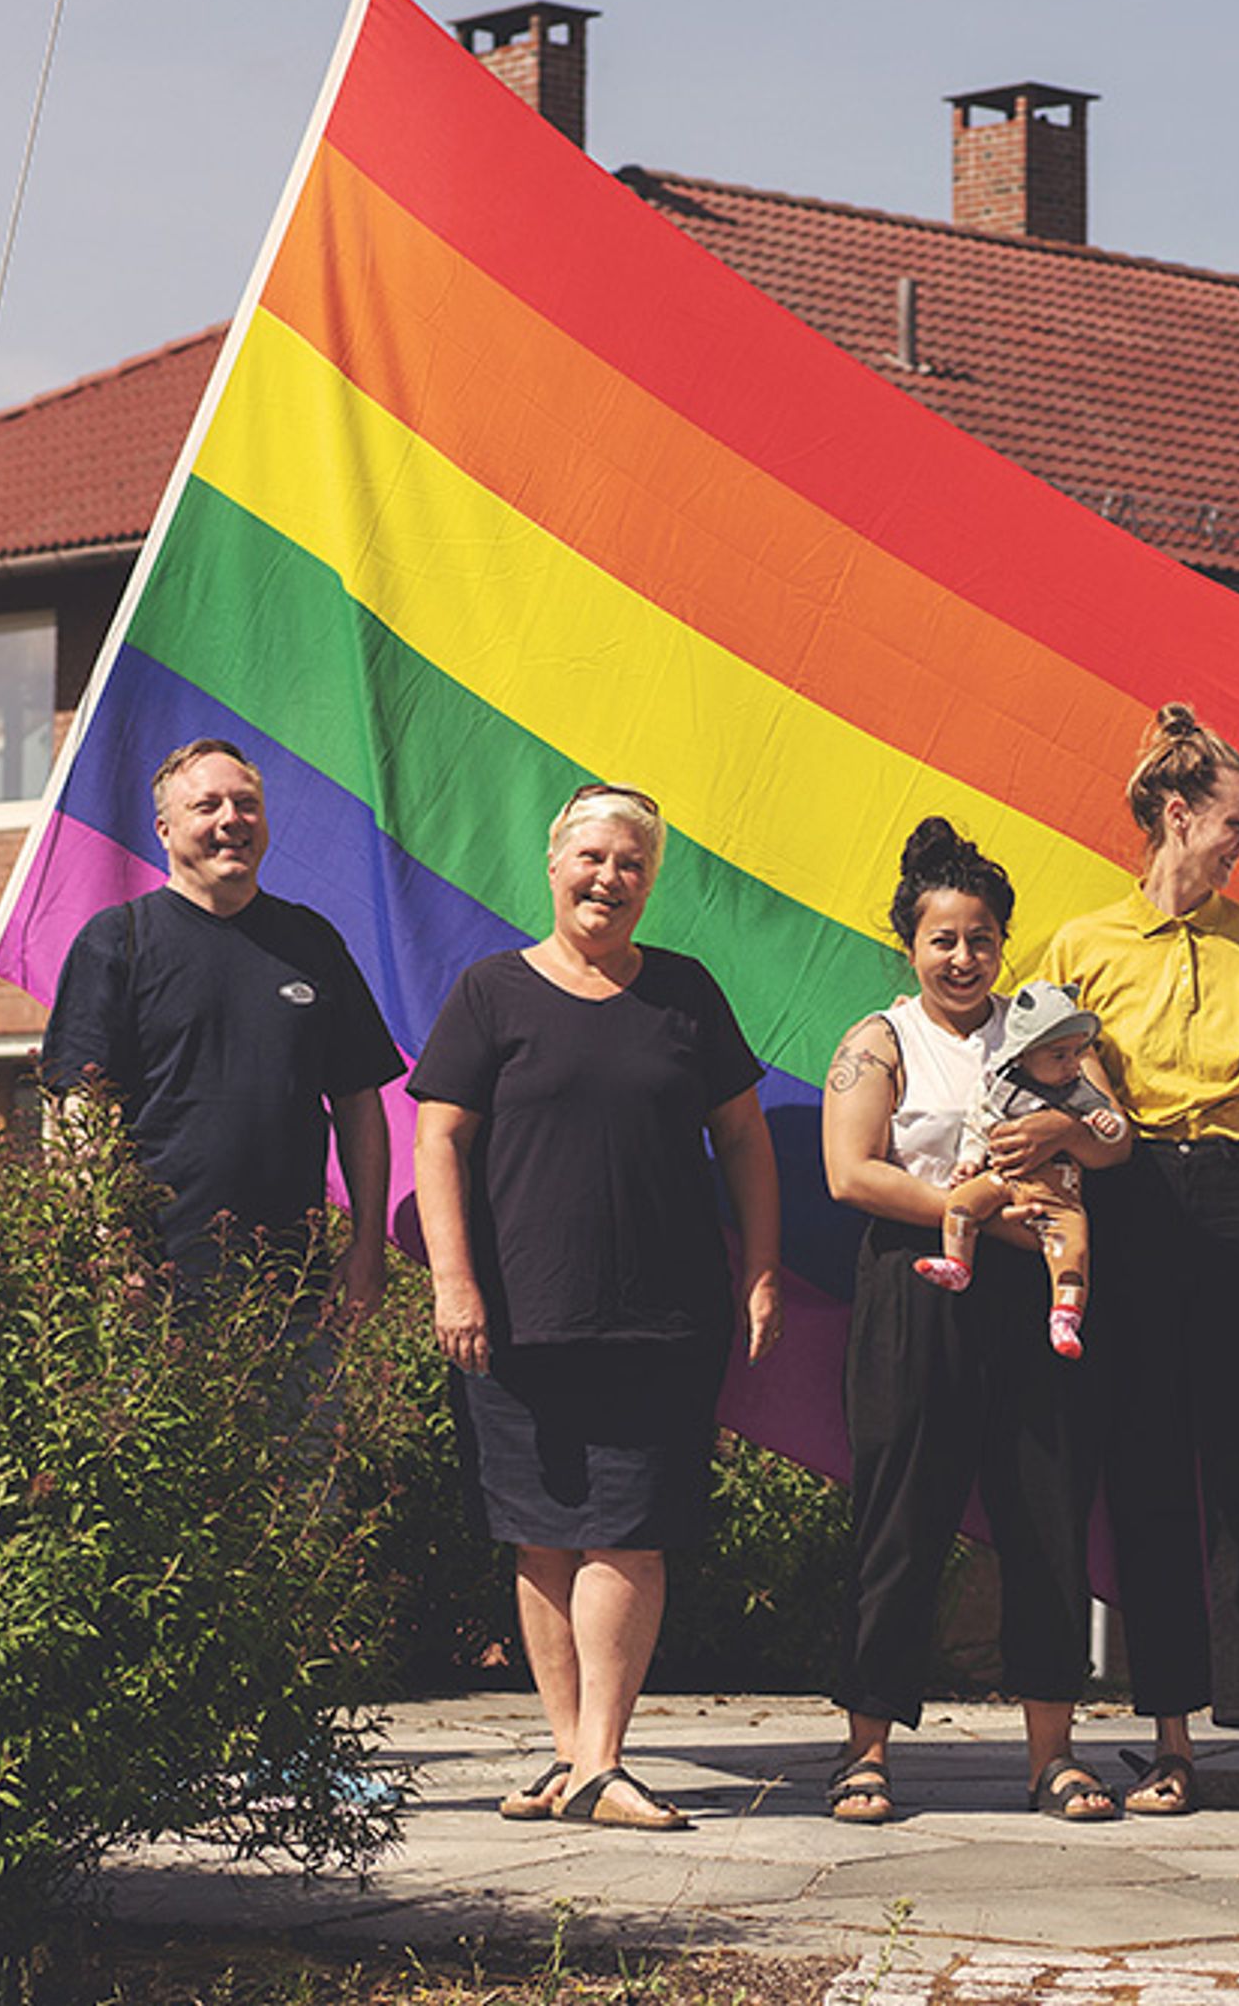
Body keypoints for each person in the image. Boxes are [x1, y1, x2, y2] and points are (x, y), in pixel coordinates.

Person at [410, 783, 784, 1833]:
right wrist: (453, 1279)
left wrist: (760, 1267)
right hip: (515, 1320)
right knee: (539, 1537)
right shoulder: (490, 995)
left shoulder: (685, 994)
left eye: (631, 864)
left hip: (663, 1320)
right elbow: (437, 1141)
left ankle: (604, 1759)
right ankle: (576, 1757)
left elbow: (747, 1141)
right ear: (552, 863)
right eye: (592, 858)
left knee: (631, 1535)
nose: (609, 878)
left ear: (649, 882)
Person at [1033, 703, 1239, 1826]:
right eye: (1238, 824)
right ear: (1177, 816)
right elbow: (1045, 1086)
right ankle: (1170, 1743)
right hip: (1130, 1204)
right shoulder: (1081, 947)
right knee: (1145, 1473)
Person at [820, 819, 1117, 1825]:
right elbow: (849, 1172)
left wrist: (1065, 1126)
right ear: (910, 940)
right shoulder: (877, 1040)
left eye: (982, 938)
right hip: (918, 1288)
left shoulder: (1042, 1029)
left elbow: (1112, 1136)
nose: (963, 957)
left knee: (1045, 1516)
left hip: (1037, 1303)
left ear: (1004, 944)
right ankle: (866, 1752)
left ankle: (1054, 1758)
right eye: (944, 938)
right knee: (900, 1519)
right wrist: (978, 1215)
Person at [39, 738, 401, 1313]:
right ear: (163, 829)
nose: (232, 819)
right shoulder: (117, 941)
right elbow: (77, 1108)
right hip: (152, 1289)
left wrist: (366, 1247)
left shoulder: (313, 943)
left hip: (294, 1292)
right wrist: (107, 1244)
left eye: (247, 804)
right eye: (207, 806)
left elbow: (360, 1101)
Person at [912, 981, 1129, 1359]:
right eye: (1059, 1055)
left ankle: (1065, 1315)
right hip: (1004, 1179)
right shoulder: (998, 1086)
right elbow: (978, 1126)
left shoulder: (1080, 1091)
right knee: (961, 1201)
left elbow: (1114, 1133)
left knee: (1073, 1247)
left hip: (1058, 1194)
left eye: (1077, 1053)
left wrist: (1101, 1126)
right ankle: (957, 1262)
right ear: (1024, 1056)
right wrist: (969, 1160)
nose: (1072, 1064)